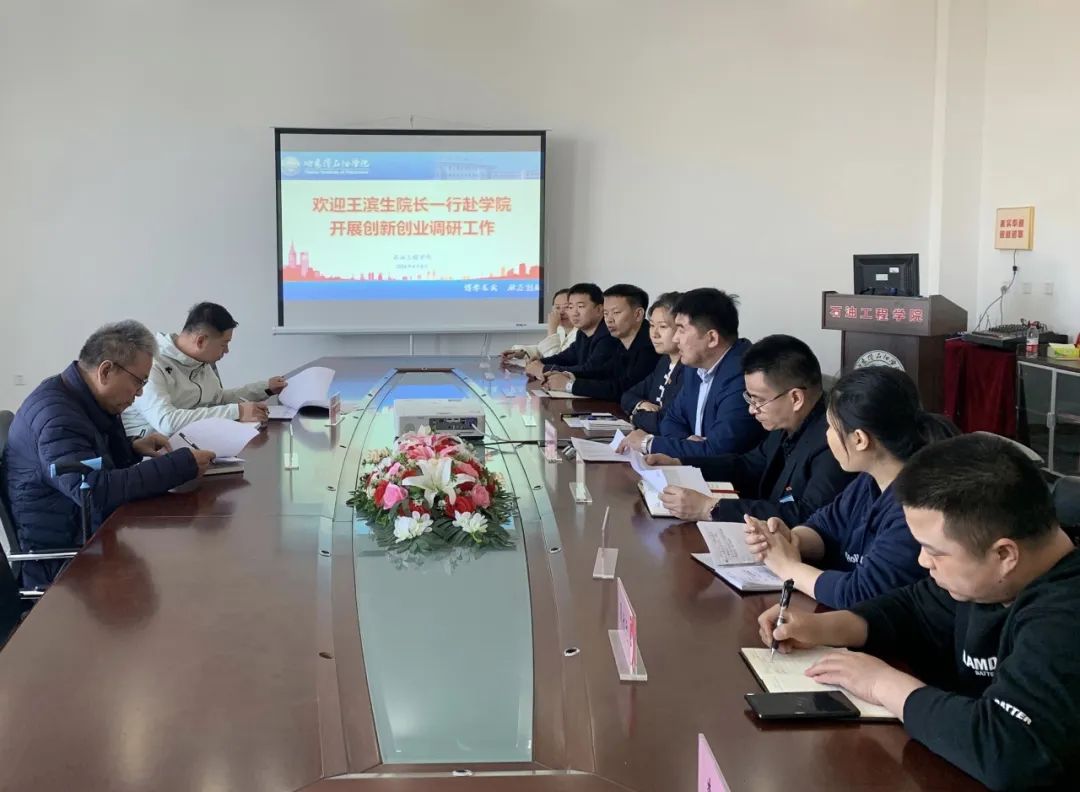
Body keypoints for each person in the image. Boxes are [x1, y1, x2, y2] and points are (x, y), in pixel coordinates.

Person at [758, 434, 1080, 791]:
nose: (923, 561)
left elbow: (1009, 749)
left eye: (934, 551)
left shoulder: (1065, 618)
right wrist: (823, 627)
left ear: (1004, 555)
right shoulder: (989, 580)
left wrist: (882, 684)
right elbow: (913, 607)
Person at [1, 321, 215, 587]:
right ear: (105, 371)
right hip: (64, 564)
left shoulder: (78, 395)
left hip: (89, 534)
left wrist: (132, 447)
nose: (139, 393)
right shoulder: (57, 418)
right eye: (138, 381)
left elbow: (89, 460)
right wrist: (181, 465)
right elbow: (94, 492)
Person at [744, 366, 957, 608]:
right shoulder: (870, 479)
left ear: (859, 439)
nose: (826, 436)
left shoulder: (917, 506)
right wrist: (792, 539)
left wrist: (787, 568)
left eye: (831, 427)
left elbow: (859, 594)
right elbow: (825, 526)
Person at [647, 334, 854, 524]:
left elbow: (807, 514)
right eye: (750, 398)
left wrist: (710, 508)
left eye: (759, 400)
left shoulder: (833, 441)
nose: (752, 409)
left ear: (795, 398)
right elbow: (747, 465)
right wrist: (680, 462)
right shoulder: (785, 421)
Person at [621, 288, 763, 458]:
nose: (676, 338)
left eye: (681, 329)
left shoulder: (743, 375)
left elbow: (720, 450)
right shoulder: (694, 367)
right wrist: (687, 443)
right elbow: (671, 420)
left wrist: (648, 443)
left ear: (712, 338)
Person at [122, 302, 287, 437]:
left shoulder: (200, 361)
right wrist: (238, 412)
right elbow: (167, 422)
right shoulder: (151, 363)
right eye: (224, 344)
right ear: (200, 341)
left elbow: (218, 399)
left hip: (191, 442)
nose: (227, 351)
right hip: (150, 452)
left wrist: (265, 388)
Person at [542, 284, 659, 399]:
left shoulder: (650, 345)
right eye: (606, 313)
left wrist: (569, 385)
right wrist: (566, 375)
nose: (609, 320)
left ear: (638, 314)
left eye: (616, 312)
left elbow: (624, 389)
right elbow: (603, 372)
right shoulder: (622, 341)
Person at [619, 291, 684, 435]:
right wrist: (640, 404)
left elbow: (664, 422)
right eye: (652, 325)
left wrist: (636, 417)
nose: (654, 334)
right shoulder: (664, 361)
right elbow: (628, 396)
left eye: (663, 327)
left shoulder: (690, 369)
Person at [524, 283, 620, 380]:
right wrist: (540, 362)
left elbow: (590, 371)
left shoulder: (609, 335)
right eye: (570, 307)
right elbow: (566, 358)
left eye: (580, 306)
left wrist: (544, 368)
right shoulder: (582, 333)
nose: (574, 313)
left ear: (599, 309)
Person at [504, 288, 576, 360]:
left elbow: (554, 360)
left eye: (567, 307)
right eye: (557, 307)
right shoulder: (560, 330)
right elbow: (540, 351)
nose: (561, 312)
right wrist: (522, 353)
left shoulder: (580, 335)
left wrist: (552, 329)